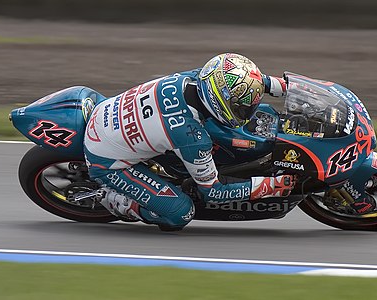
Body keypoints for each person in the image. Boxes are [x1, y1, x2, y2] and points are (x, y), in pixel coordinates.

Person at [83, 53, 296, 231]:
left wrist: (287, 87)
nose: (248, 110)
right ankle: (115, 200)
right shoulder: (192, 136)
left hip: (107, 114)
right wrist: (270, 186)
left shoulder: (198, 78)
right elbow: (214, 192)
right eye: (242, 107)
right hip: (107, 161)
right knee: (181, 214)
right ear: (219, 102)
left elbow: (246, 81)